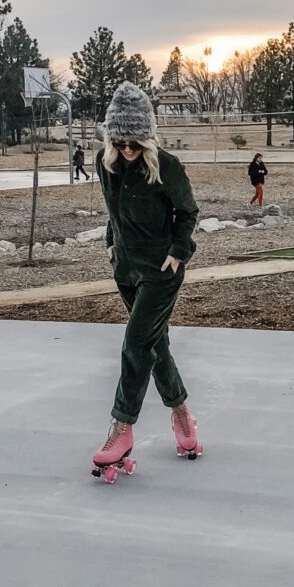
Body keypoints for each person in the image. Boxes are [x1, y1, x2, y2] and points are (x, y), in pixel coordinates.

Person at [92, 81, 202, 480]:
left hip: (161, 271)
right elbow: (113, 212)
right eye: (120, 142)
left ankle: (121, 430)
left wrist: (178, 252)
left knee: (136, 343)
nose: (127, 150)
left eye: (134, 143)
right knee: (155, 344)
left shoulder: (166, 166)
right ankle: (182, 417)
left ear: (147, 138)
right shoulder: (105, 165)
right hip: (126, 270)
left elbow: (187, 212)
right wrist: (110, 243)